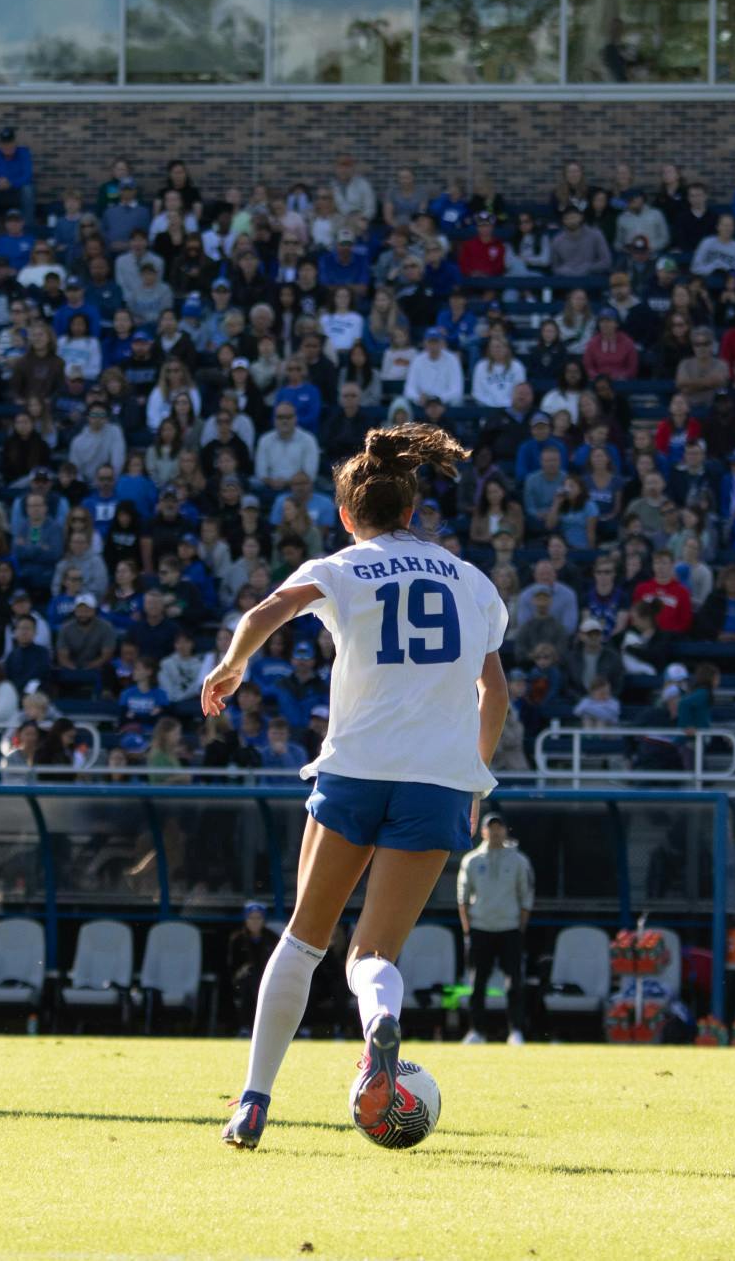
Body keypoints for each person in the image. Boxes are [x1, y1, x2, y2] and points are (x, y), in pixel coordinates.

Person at [211, 425, 509, 1150]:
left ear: (349, 517)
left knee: (303, 940)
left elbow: (262, 614)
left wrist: (231, 667)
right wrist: (474, 776)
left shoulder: (343, 567)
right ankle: (379, 1016)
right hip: (436, 782)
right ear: (413, 511)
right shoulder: (471, 581)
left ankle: (253, 1102)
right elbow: (494, 693)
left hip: (354, 769)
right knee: (372, 956)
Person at [456, 811, 533, 1046]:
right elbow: (463, 898)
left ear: (505, 830)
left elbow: (526, 896)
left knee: (514, 984)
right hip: (481, 929)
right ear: (483, 831)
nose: (495, 831)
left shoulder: (518, 861)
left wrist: (519, 927)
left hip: (509, 929)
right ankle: (476, 1031)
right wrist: (468, 929)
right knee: (477, 984)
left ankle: (516, 1031)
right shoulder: (471, 860)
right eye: (491, 827)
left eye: (499, 827)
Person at [224, 901, 279, 1035]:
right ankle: (245, 1026)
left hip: (267, 978)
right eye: (251, 918)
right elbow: (232, 966)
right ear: (246, 919)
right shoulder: (237, 939)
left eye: (258, 918)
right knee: (249, 980)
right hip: (243, 979)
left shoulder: (272, 938)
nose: (254, 922)